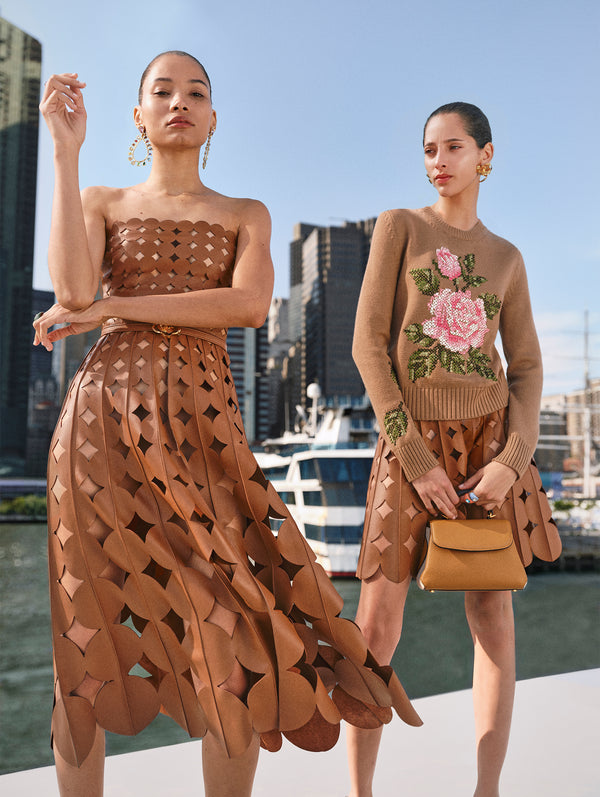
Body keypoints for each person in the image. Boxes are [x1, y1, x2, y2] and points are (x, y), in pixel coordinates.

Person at [33, 51, 422, 797]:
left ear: (213, 120)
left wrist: (115, 308)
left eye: (197, 93)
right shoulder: (103, 198)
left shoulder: (246, 213)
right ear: (139, 117)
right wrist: (63, 152)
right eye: (162, 91)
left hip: (202, 429)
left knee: (237, 640)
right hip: (98, 431)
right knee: (83, 653)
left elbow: (243, 307)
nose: (180, 101)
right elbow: (74, 288)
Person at [347, 102, 562, 797]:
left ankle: (486, 789)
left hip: (490, 450)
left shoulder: (507, 258)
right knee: (375, 626)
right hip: (410, 442)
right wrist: (414, 457)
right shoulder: (400, 228)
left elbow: (526, 368)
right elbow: (367, 347)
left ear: (486, 157)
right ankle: (359, 793)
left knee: (492, 618)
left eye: (454, 147)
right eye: (429, 149)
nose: (438, 161)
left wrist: (511, 460)